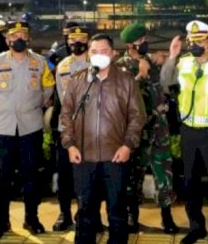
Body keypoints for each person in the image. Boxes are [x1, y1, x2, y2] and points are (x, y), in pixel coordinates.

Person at [60, 34, 146, 244]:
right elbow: (65, 116)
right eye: (94, 51)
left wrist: (128, 145)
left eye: (104, 51)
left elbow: (137, 117)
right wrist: (70, 145)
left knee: (117, 211)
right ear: (89, 54)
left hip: (115, 158)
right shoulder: (77, 81)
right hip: (83, 157)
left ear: (114, 53)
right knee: (85, 212)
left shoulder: (126, 81)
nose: (99, 56)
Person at [0, 21, 55, 238]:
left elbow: (48, 87)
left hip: (30, 127)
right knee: (2, 178)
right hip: (2, 128)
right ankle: (1, 221)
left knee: (31, 175)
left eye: (23, 35)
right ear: (7, 39)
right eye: (15, 35)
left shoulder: (40, 62)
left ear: (28, 38)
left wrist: (35, 104)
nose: (19, 38)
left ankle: (32, 218)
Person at [160, 20, 208, 244]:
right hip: (189, 132)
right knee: (190, 182)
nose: (194, 45)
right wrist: (172, 57)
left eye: (200, 41)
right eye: (191, 41)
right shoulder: (184, 63)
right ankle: (196, 227)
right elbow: (165, 83)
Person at [117, 23, 179, 234]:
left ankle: (166, 217)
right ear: (129, 45)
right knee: (134, 176)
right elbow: (122, 98)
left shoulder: (153, 61)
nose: (145, 43)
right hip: (136, 131)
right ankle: (133, 215)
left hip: (159, 129)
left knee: (165, 173)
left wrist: (169, 57)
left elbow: (169, 80)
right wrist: (140, 76)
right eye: (140, 41)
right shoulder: (120, 66)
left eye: (145, 39)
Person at [52, 25, 91, 231]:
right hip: (67, 129)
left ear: (88, 40)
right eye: (73, 38)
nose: (77, 42)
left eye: (82, 38)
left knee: (90, 175)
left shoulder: (97, 64)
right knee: (65, 174)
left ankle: (87, 214)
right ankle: (64, 213)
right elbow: (60, 98)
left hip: (91, 129)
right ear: (67, 41)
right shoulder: (62, 66)